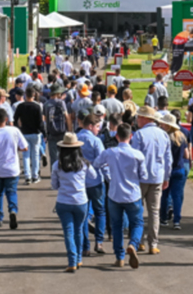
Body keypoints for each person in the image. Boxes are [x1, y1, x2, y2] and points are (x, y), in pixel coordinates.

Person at [93, 123, 146, 269]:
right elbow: (144, 175)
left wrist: (108, 171)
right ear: (131, 136)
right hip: (133, 195)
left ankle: (119, 257)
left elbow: (96, 164)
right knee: (137, 223)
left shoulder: (109, 152)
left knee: (116, 226)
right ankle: (133, 244)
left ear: (116, 136)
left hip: (115, 194)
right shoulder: (138, 155)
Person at [50, 132, 98, 272]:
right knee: (78, 231)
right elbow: (94, 177)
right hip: (81, 202)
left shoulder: (57, 165)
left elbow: (54, 185)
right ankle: (78, 260)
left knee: (68, 232)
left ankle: (72, 261)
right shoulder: (84, 164)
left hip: (63, 202)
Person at [131, 106, 172, 255]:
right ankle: (153, 244)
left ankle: (139, 241)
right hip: (157, 177)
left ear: (146, 119)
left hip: (140, 178)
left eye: (139, 117)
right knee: (154, 211)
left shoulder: (139, 135)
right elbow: (168, 159)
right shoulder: (163, 135)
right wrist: (167, 177)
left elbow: (134, 157)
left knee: (138, 209)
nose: (137, 119)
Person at [76, 114, 107, 256]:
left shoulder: (75, 138)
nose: (99, 130)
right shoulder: (96, 141)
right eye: (97, 127)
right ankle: (99, 242)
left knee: (82, 214)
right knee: (100, 211)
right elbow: (103, 161)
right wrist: (109, 178)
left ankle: (85, 246)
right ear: (90, 126)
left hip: (79, 182)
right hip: (95, 181)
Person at [159, 113, 190, 230]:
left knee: (165, 195)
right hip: (179, 168)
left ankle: (164, 219)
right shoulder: (182, 136)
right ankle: (177, 221)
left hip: (167, 169)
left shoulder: (164, 137)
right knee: (177, 196)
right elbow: (187, 155)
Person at [13, 86, 44, 185]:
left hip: (24, 133)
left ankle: (27, 176)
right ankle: (35, 176)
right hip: (35, 133)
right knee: (35, 155)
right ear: (34, 95)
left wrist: (18, 128)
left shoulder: (21, 106)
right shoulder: (37, 106)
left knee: (26, 156)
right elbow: (40, 122)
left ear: (25, 95)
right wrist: (44, 132)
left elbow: (15, 119)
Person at [44, 86, 72, 166]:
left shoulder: (46, 104)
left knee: (53, 157)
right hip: (62, 132)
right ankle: (63, 174)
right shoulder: (61, 102)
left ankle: (54, 175)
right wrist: (70, 130)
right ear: (57, 93)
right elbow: (67, 117)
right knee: (64, 155)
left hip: (51, 133)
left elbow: (45, 119)